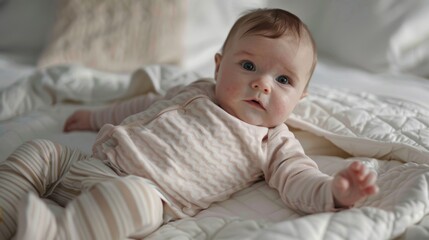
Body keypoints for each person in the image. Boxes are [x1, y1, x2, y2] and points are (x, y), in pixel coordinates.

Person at [0, 8, 378, 240]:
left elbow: (298, 180)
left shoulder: (272, 140)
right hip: (92, 165)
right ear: (218, 66)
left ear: (300, 100)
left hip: (147, 195)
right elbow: (144, 104)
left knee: (131, 201)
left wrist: (334, 192)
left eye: (284, 81)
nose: (262, 83)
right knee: (41, 152)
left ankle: (58, 234)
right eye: (248, 66)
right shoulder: (197, 90)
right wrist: (95, 116)